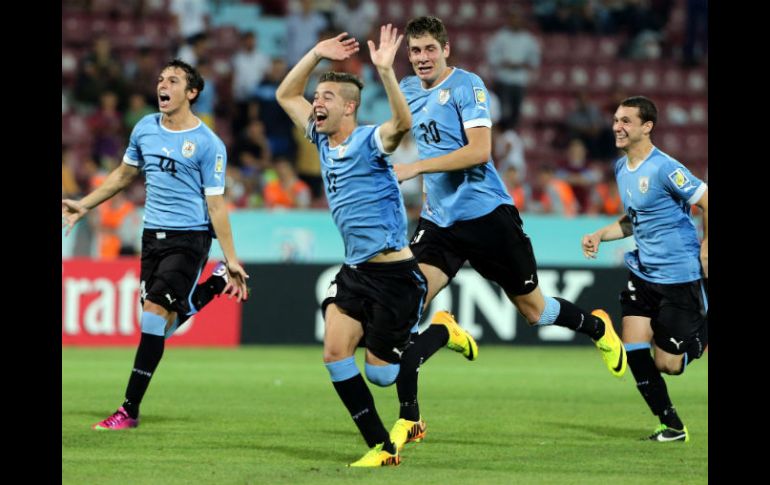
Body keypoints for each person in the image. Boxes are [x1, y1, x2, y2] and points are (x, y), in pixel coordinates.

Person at [391, 16, 627, 444]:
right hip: (439, 222)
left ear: (446, 49)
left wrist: (417, 167)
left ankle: (597, 328)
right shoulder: (407, 89)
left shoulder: (468, 86)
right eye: (415, 50)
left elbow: (480, 151)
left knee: (534, 311)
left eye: (429, 49)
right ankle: (411, 415)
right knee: (406, 302)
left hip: (488, 218)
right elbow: (399, 131)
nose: (422, 58)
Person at [276, 25, 469, 467]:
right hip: (354, 271)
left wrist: (385, 71)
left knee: (381, 376)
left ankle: (442, 330)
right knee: (334, 354)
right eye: (317, 96)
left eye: (326, 97)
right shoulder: (321, 139)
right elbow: (286, 94)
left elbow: (402, 124)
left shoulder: (369, 141)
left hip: (395, 276)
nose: (316, 102)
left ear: (349, 107)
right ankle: (382, 448)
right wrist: (316, 53)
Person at [62, 59, 250, 430]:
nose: (163, 85)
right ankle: (212, 286)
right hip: (152, 238)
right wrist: (86, 204)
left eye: (174, 80)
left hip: (190, 238)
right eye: (161, 79)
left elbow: (216, 205)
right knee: (157, 329)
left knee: (152, 317)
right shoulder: (145, 128)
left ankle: (128, 410)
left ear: (191, 92)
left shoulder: (208, 144)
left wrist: (232, 259)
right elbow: (123, 175)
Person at [581, 96, 708, 442]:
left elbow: (706, 200)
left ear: (647, 127)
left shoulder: (665, 168)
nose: (617, 127)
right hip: (643, 272)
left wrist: (706, 246)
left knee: (669, 364)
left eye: (626, 121)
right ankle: (671, 425)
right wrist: (599, 235)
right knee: (634, 348)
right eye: (616, 120)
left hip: (679, 276)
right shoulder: (621, 168)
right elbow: (633, 219)